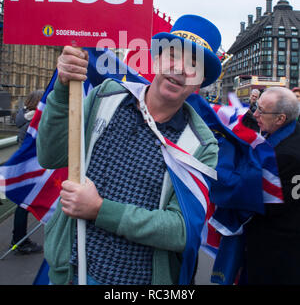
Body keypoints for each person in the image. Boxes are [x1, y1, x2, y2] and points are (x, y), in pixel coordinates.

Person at [36, 15, 222, 285]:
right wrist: (63, 91)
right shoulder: (106, 96)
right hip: (69, 274)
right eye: (174, 55)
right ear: (156, 59)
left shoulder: (201, 145)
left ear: (200, 81)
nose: (180, 68)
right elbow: (50, 156)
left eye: (194, 64)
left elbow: (182, 231)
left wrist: (99, 209)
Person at [244, 86, 300, 284]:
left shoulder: (288, 156)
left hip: (276, 252)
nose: (256, 114)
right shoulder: (281, 134)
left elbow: (270, 206)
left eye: (261, 111)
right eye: (256, 107)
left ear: (280, 119)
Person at [11, 89, 44, 254]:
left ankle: (19, 239)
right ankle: (19, 241)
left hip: (23, 167)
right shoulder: (33, 121)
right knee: (23, 205)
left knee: (23, 204)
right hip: (29, 167)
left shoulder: (23, 117)